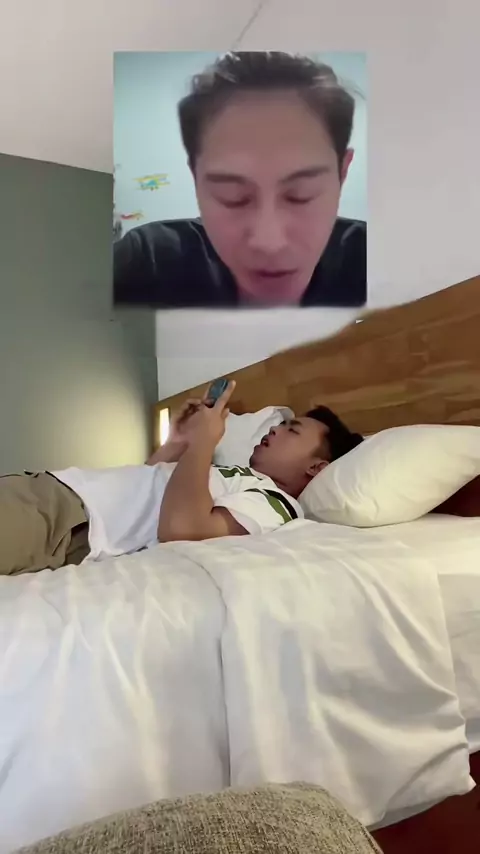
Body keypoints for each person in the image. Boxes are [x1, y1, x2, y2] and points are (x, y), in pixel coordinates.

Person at [0, 383, 363, 576]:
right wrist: (177, 442)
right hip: (56, 492)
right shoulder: (238, 475)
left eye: (291, 430)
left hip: (69, 520)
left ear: (316, 467)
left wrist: (203, 443)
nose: (275, 430)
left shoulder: (275, 503)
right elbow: (148, 483)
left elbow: (181, 529)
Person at [114, 51, 366, 309]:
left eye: (301, 195)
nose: (269, 243)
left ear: (342, 172)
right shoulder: (150, 258)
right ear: (195, 177)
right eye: (233, 197)